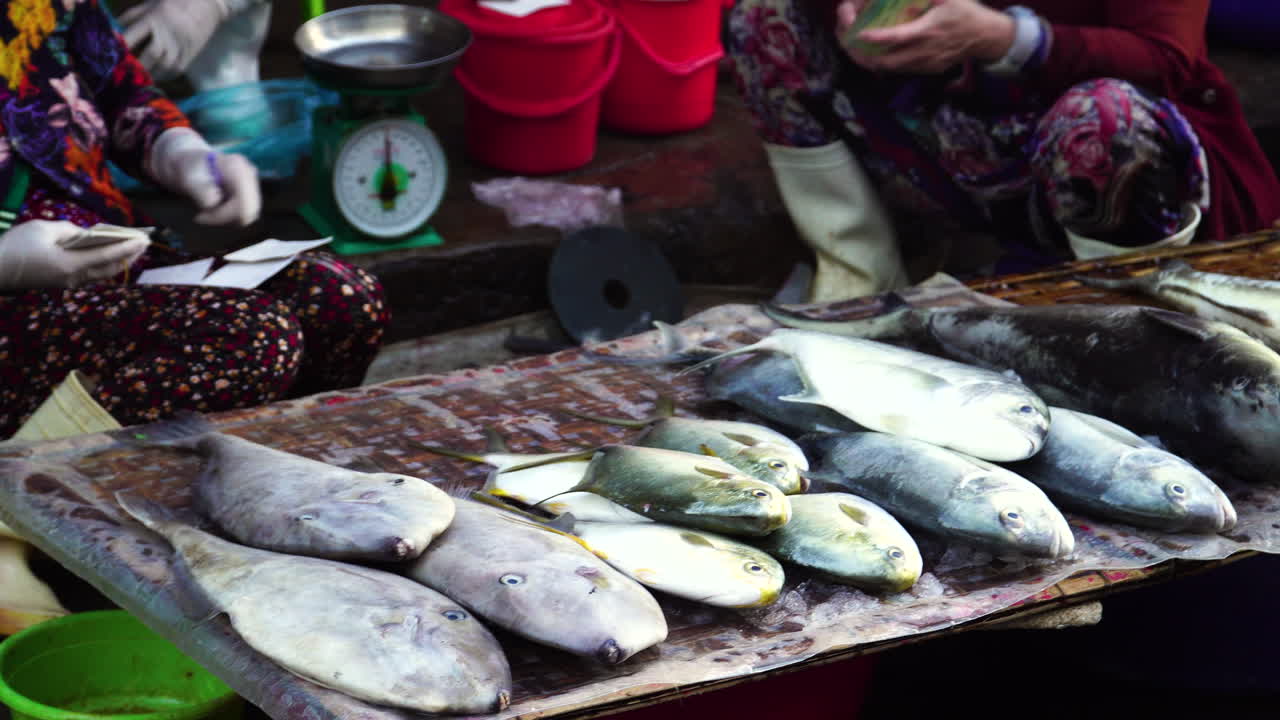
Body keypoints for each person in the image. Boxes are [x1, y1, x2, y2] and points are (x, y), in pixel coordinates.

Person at [0, 0, 389, 439]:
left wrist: (180, 152)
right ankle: (32, 484)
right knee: (249, 336)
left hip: (104, 262)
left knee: (341, 299)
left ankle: (272, 478)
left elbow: (120, 93)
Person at [726, 0, 1280, 301]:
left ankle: (1125, 319)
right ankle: (859, 283)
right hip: (968, 139)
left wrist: (1003, 38)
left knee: (1101, 117)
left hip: (1113, 158)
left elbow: (1166, 58)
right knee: (766, 17)